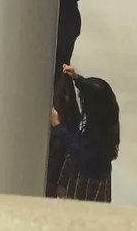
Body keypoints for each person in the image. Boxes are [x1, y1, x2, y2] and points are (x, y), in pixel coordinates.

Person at [49, 67, 119, 202]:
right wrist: (76, 78)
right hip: (94, 174)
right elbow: (94, 92)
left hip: (86, 178)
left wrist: (58, 126)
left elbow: (77, 150)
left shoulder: (96, 135)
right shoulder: (108, 115)